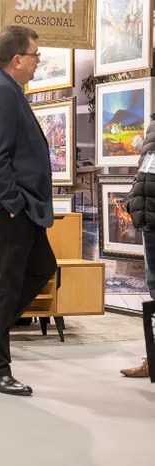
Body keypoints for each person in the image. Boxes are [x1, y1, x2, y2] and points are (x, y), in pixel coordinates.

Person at [0, 25, 57, 396]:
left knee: (42, 267)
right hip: (8, 208)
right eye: (35, 56)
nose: (38, 63)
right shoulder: (1, 91)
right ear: (17, 59)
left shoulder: (1, 87)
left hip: (15, 206)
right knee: (4, 284)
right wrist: (13, 203)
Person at [123, 113, 155, 378]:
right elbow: (144, 169)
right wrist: (132, 200)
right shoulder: (153, 126)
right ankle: (153, 359)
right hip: (148, 221)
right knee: (154, 289)